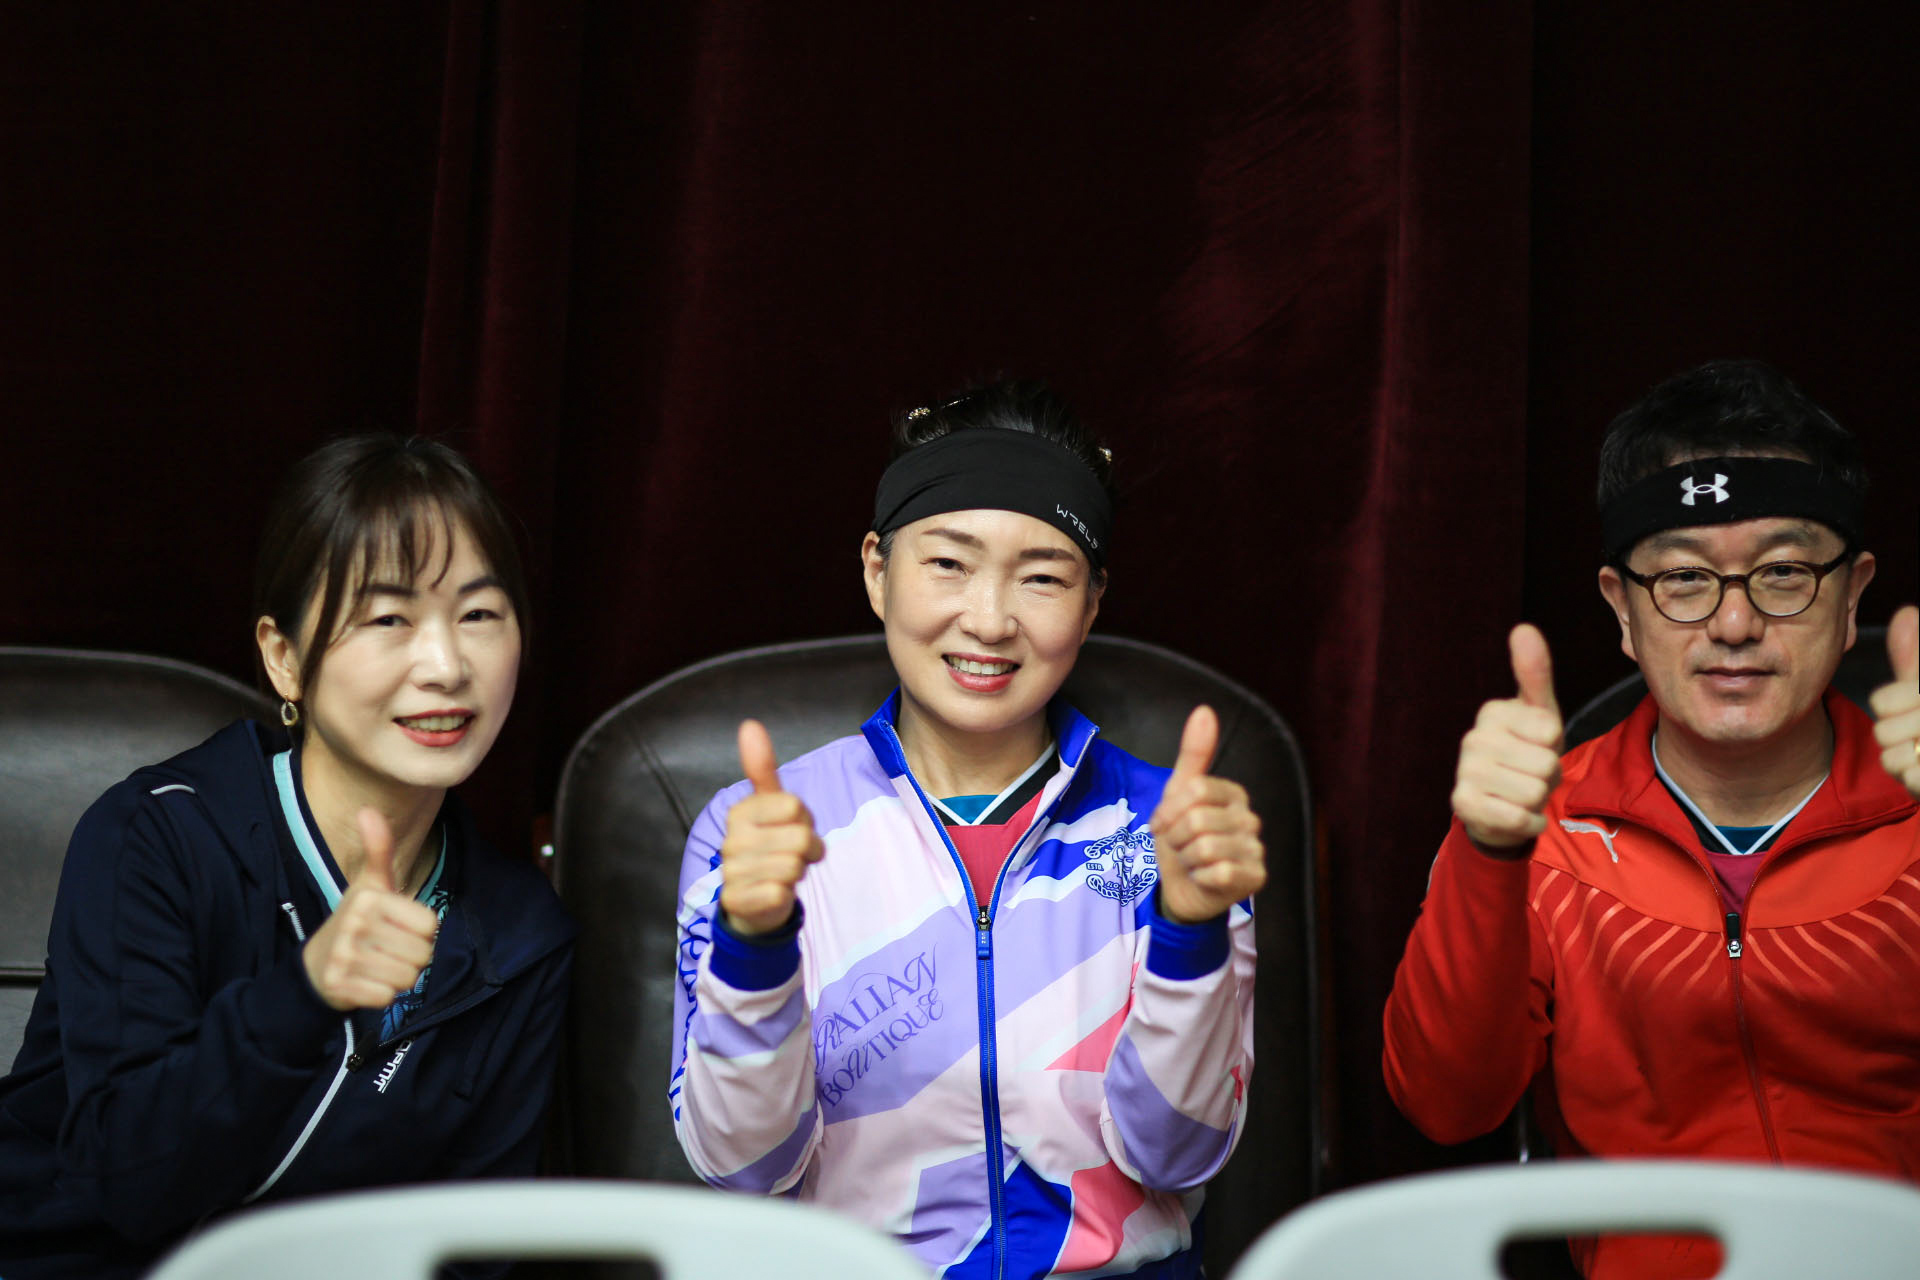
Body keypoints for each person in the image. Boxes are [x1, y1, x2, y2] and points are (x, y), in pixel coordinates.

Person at [670, 381, 1264, 1279]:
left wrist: (1190, 932)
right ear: (878, 571)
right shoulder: (757, 835)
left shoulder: (1174, 832)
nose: (988, 620)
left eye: (1043, 577)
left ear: (1092, 603)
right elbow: (743, 1166)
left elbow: (1175, 1158)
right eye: (949, 563)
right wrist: (754, 947)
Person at [1382, 359, 1920, 1280]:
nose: (1735, 624)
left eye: (1784, 572)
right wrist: (1487, 853)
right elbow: (1446, 1107)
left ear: (1852, 596)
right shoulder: (1543, 830)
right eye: (1682, 579)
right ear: (1622, 610)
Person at [0, 436, 576, 1279]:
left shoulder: (522, 935)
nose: (448, 666)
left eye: (480, 615)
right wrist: (305, 996)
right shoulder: (157, 834)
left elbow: (473, 1249)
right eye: (389, 620)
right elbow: (126, 1181)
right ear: (284, 657)